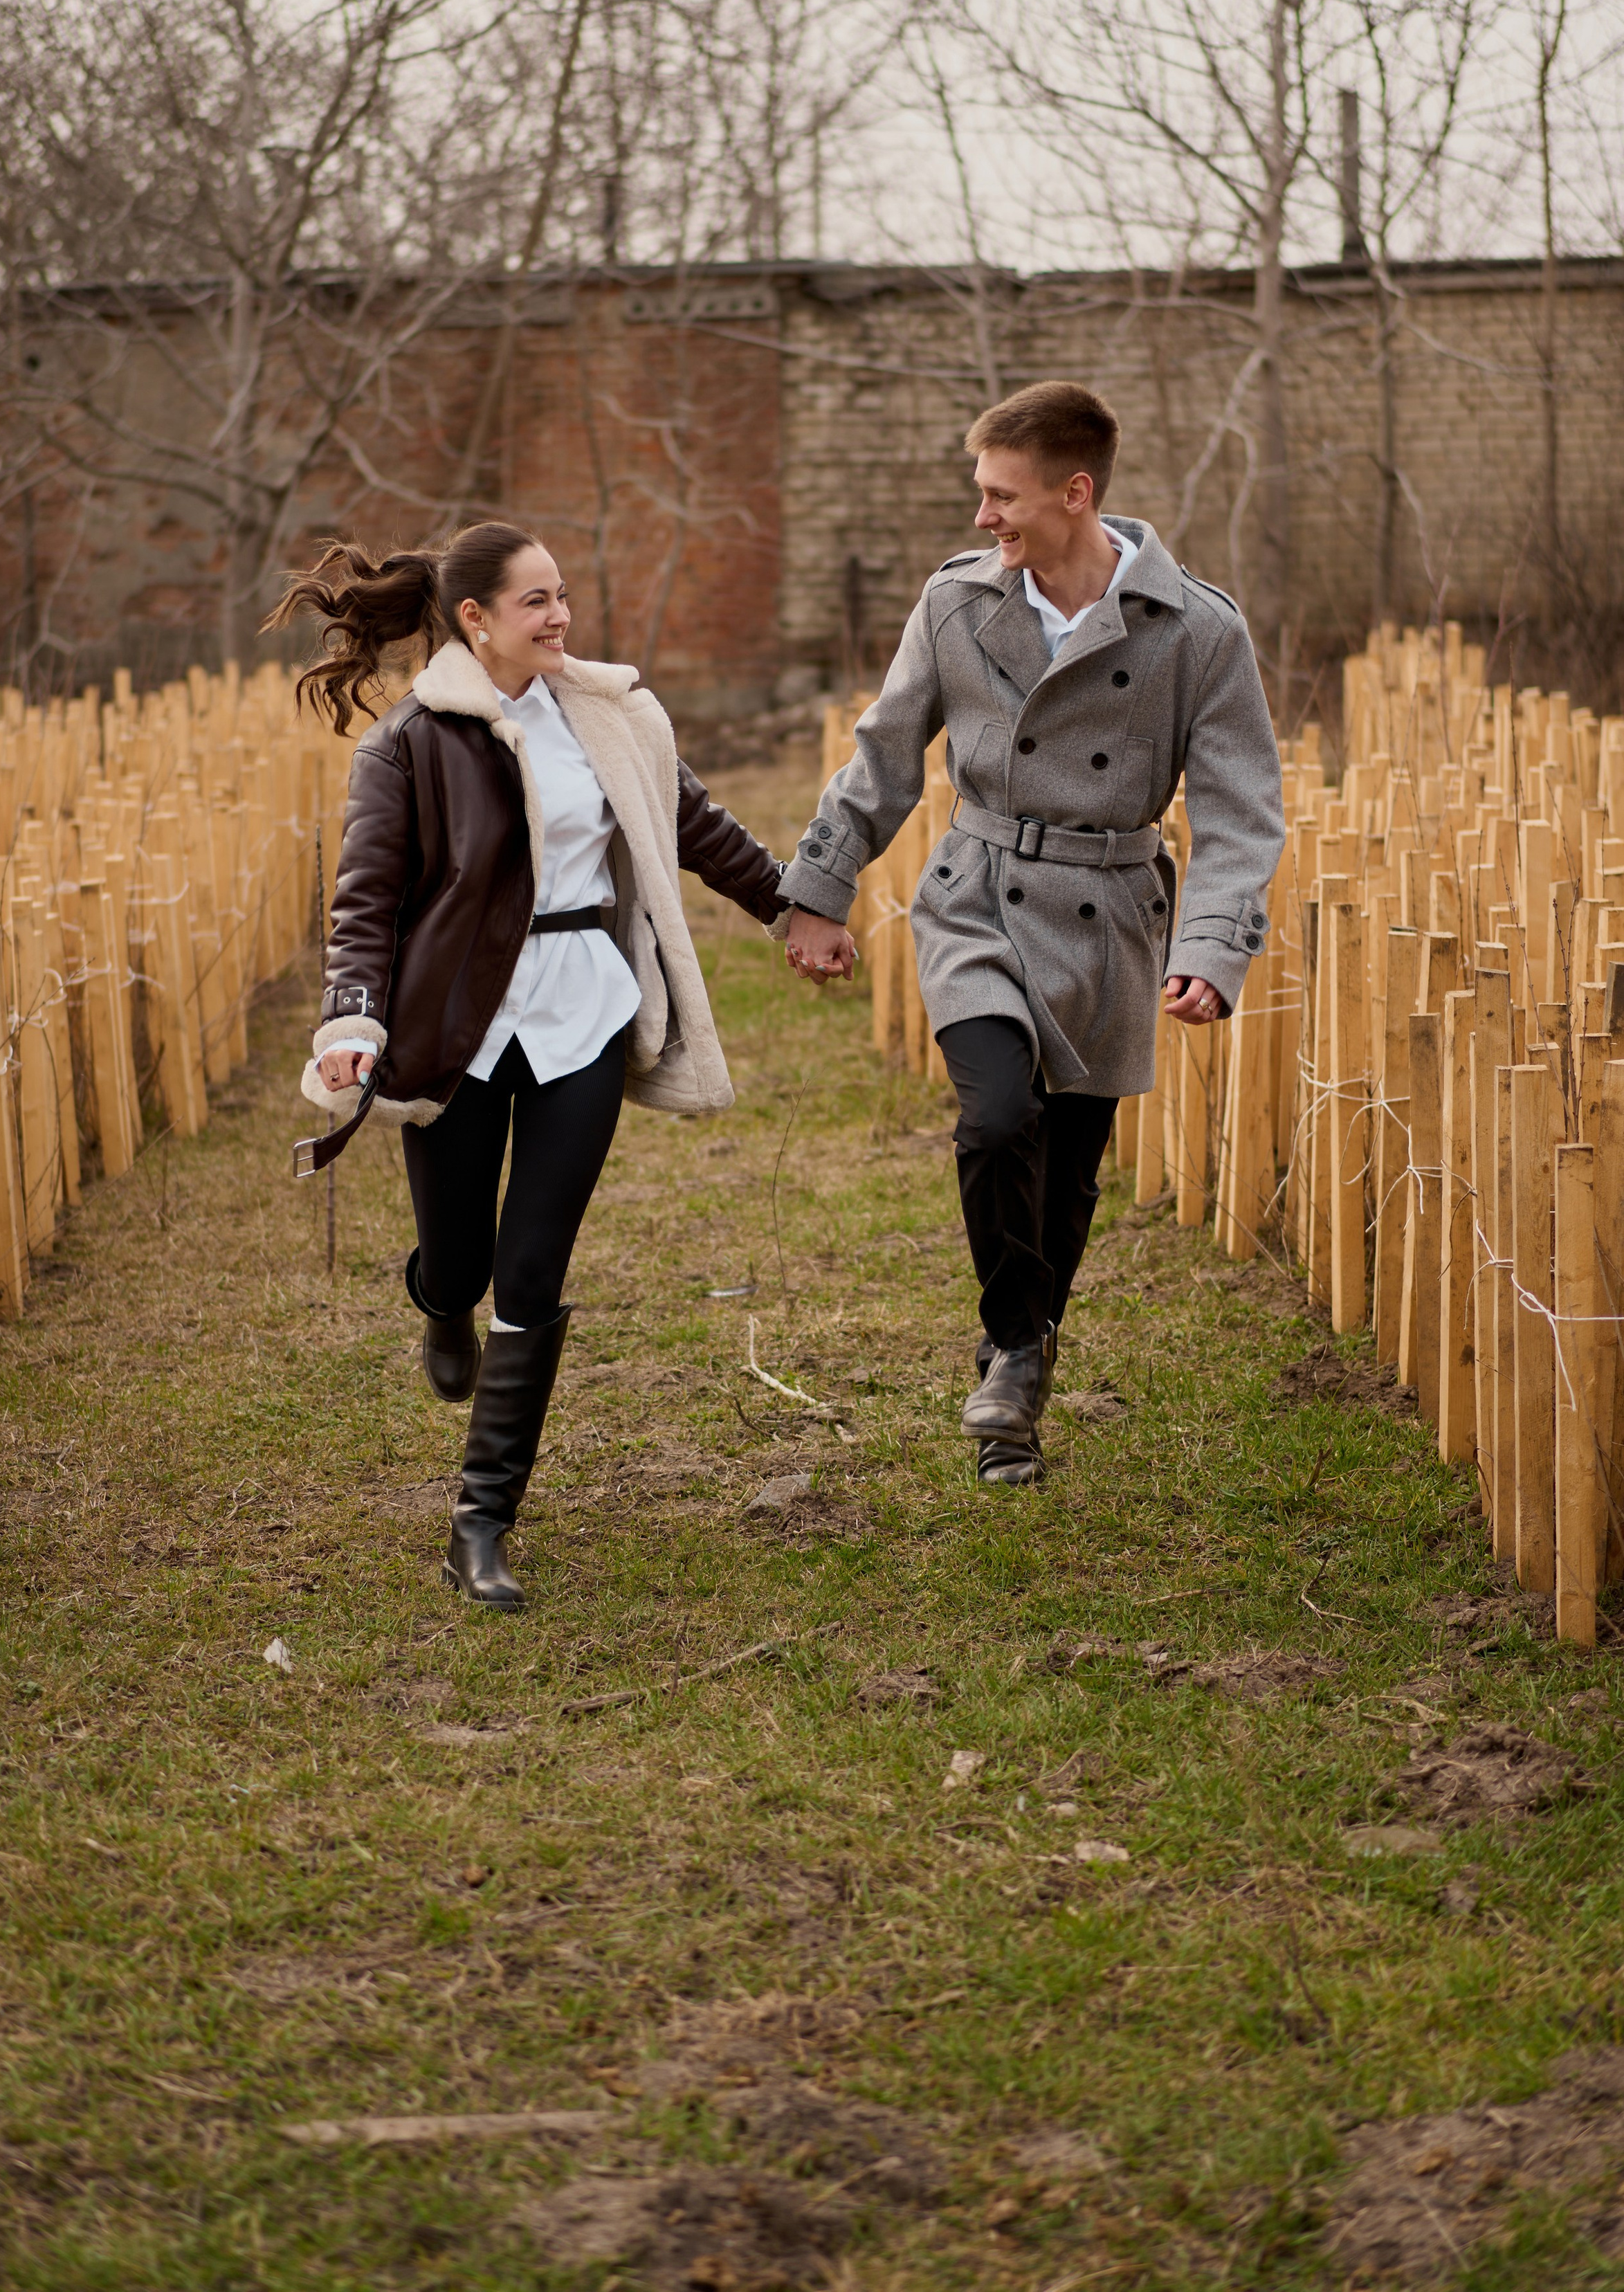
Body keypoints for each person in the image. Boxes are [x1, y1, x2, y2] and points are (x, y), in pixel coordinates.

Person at [268, 525, 825, 1610]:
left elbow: (693, 824)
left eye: (563, 595)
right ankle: (439, 1296)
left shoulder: (609, 715)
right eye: (536, 602)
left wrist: (792, 909)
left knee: (532, 1272)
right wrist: (351, 1021)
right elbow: (366, 905)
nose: (560, 616)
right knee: (464, 1260)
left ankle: (481, 1520)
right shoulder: (410, 745)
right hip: (457, 1027)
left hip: (587, 1012)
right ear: (475, 620)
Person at [779, 381, 1285, 1486]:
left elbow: (1244, 809)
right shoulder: (958, 603)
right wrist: (819, 889)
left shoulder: (1197, 628)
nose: (983, 519)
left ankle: (1024, 1359)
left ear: (1075, 492)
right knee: (997, 1119)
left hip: (1112, 916)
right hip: (979, 894)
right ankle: (1012, 1347)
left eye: (1001, 497)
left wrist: (1211, 950)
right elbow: (883, 754)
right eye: (980, 494)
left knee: (1067, 1170)